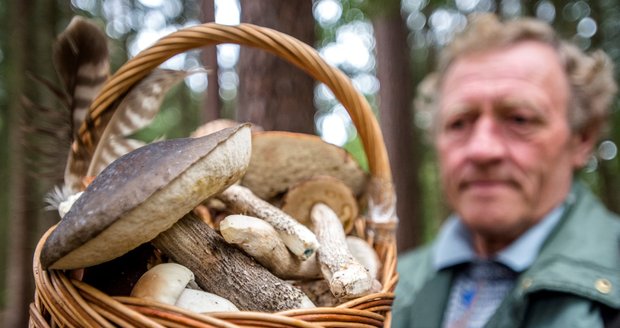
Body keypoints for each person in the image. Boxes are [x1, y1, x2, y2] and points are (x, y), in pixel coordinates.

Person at [392, 13, 620, 328]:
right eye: (459, 123)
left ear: (582, 138)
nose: (482, 150)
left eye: (520, 119)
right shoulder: (386, 285)